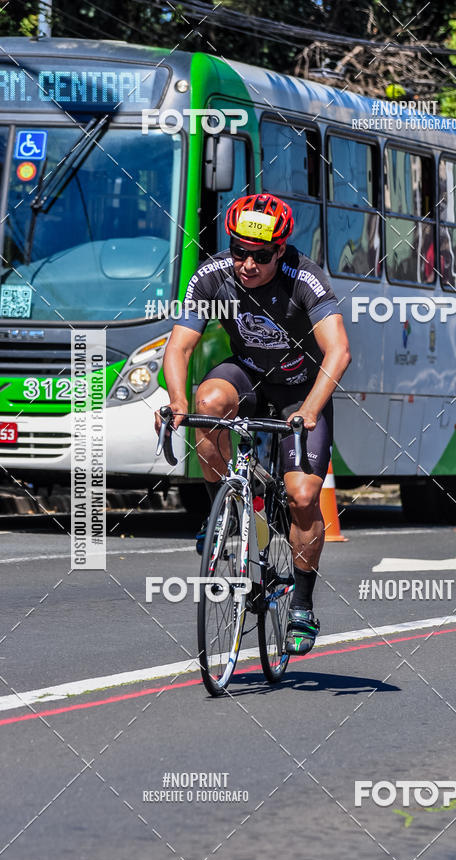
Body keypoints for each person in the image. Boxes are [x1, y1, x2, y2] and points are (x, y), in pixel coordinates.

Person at [155, 193, 351, 655]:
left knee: (304, 497)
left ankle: (301, 605)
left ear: (280, 250)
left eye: (260, 256)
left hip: (301, 390)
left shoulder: (304, 278)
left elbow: (338, 352)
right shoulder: (213, 275)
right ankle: (223, 515)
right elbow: (179, 347)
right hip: (247, 375)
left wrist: (310, 409)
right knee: (208, 402)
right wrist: (178, 402)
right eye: (238, 250)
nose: (246, 263)